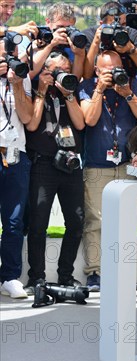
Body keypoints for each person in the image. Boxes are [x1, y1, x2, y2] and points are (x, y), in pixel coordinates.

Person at [78, 49, 137, 291]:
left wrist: (128, 95)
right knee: (95, 220)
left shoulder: (132, 85)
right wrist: (99, 89)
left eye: (115, 68)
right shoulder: (87, 86)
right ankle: (95, 272)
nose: (111, 73)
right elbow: (89, 119)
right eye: (105, 69)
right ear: (97, 70)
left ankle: (125, 272)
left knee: (127, 222)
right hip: (97, 165)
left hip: (127, 164)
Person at [23, 53, 85, 294]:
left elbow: (80, 124)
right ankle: (36, 277)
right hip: (43, 164)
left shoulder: (72, 89)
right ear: (45, 70)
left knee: (76, 222)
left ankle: (66, 276)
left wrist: (68, 93)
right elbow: (32, 123)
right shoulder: (37, 90)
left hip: (70, 164)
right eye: (57, 70)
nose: (62, 74)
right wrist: (41, 89)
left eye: (66, 69)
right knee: (38, 223)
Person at [0, 33, 33, 299]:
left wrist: (18, 85)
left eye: (8, 55)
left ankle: (10, 277)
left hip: (16, 154)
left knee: (13, 221)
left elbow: (27, 117)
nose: (5, 60)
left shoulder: (22, 76)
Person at [82, 1, 137, 81]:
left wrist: (131, 49)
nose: (118, 29)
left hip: (128, 81)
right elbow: (86, 76)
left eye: (123, 25)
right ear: (101, 24)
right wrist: (96, 43)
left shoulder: (133, 35)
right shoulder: (90, 35)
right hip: (97, 82)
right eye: (113, 26)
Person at [22, 3, 86, 79]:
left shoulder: (74, 40)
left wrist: (79, 55)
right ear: (48, 22)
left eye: (68, 28)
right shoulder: (33, 37)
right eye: (60, 27)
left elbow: (75, 80)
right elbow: (27, 76)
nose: (64, 31)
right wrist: (50, 44)